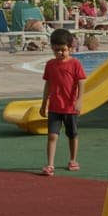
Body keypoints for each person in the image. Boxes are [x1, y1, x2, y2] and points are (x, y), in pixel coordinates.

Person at [40, 28, 87, 175]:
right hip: (54, 107)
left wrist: (79, 100)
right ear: (52, 48)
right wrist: (44, 103)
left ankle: (73, 160)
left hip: (70, 108)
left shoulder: (75, 64)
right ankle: (50, 165)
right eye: (56, 50)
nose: (60, 53)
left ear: (70, 48)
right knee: (52, 136)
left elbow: (81, 82)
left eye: (63, 50)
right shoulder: (50, 65)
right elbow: (48, 85)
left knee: (72, 135)